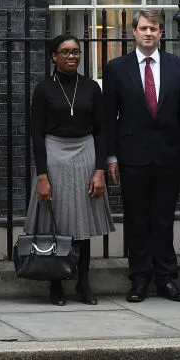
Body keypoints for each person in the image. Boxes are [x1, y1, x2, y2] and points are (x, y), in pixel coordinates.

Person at [102, 9, 180, 303]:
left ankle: (166, 278)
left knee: (164, 219)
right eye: (143, 28)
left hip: (168, 155)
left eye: (154, 28)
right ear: (134, 32)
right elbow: (108, 117)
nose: (149, 33)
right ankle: (139, 278)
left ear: (161, 33)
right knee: (137, 219)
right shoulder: (116, 68)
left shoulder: (178, 67)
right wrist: (111, 157)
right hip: (132, 155)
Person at [28, 35, 114, 306]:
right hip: (54, 154)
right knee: (57, 221)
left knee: (83, 221)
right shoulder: (43, 90)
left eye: (75, 52)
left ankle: (83, 282)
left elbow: (102, 131)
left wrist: (99, 170)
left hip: (86, 153)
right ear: (53, 56)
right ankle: (56, 282)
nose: (71, 57)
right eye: (65, 52)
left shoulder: (91, 88)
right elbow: (36, 135)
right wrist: (42, 175)